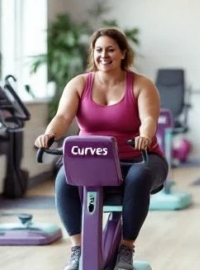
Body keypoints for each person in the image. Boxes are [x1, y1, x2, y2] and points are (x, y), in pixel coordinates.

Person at [33, 28, 168, 270]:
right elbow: (63, 116)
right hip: (91, 160)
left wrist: (144, 136)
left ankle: (126, 248)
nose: (103, 55)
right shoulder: (80, 83)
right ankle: (78, 248)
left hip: (138, 158)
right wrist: (50, 134)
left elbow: (148, 119)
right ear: (93, 54)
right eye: (99, 50)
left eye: (110, 49)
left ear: (123, 53)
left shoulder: (140, 85)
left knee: (138, 178)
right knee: (65, 179)